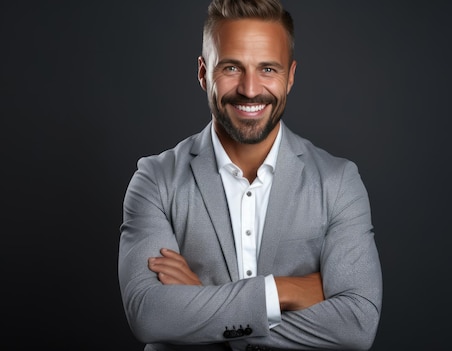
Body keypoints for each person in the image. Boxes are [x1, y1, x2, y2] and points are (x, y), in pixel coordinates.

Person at [118, 0, 382, 350]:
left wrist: (202, 303)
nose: (250, 89)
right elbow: (149, 314)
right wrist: (283, 290)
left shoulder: (338, 182)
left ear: (290, 76)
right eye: (231, 68)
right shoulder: (154, 180)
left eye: (268, 69)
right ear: (202, 72)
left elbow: (357, 324)